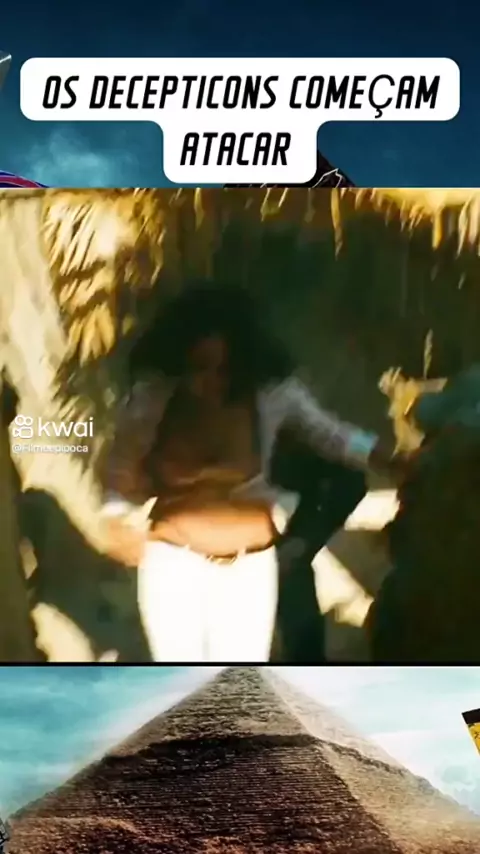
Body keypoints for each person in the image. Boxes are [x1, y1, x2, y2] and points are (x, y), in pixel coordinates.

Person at [98, 282, 398, 663]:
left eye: (222, 370)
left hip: (249, 573)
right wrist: (116, 518)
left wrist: (385, 457)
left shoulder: (271, 395)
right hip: (173, 570)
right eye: (197, 368)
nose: (208, 381)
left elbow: (331, 434)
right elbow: (120, 471)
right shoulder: (152, 399)